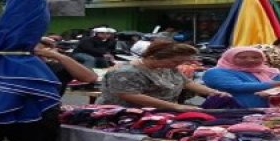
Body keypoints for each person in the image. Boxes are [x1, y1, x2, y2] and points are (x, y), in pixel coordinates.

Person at [0, 36, 98, 141]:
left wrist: (59, 56)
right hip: (1, 113)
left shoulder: (55, 68)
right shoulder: (6, 64)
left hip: (41, 118)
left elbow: (90, 77)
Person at [97, 41, 229, 111]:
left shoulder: (168, 68)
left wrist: (213, 93)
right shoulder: (127, 71)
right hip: (125, 113)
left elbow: (186, 83)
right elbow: (129, 95)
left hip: (158, 111)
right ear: (154, 58)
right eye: (175, 61)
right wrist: (175, 106)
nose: (178, 65)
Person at [202, 46, 280, 108]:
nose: (250, 60)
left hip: (272, 113)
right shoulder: (215, 72)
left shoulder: (270, 71)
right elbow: (237, 87)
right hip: (233, 112)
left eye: (256, 57)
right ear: (229, 58)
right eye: (242, 57)